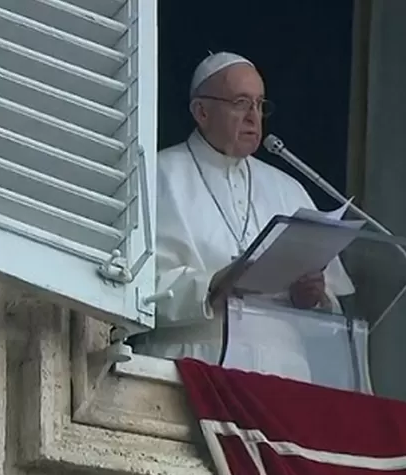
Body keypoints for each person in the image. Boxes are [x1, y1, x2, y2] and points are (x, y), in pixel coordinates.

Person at [138, 51, 354, 380]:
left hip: (286, 376)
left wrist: (311, 298)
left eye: (260, 104)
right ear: (202, 111)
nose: (254, 117)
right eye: (240, 103)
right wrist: (213, 287)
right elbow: (135, 288)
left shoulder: (288, 187)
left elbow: (333, 314)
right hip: (194, 368)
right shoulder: (157, 177)